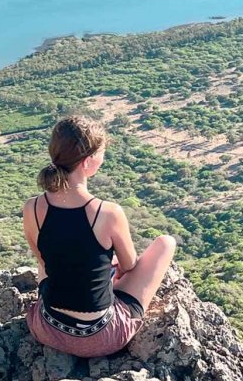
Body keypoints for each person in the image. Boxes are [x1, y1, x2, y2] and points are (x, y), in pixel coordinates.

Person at [22, 114, 177, 358]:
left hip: (48, 328)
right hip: (101, 336)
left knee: (49, 266)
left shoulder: (31, 208)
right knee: (166, 243)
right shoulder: (108, 212)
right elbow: (129, 266)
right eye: (101, 153)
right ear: (87, 162)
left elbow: (43, 263)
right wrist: (109, 269)